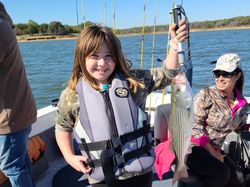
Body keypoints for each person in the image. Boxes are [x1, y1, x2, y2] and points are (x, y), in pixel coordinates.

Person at [55, 19, 188, 187]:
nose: (102, 63)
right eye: (94, 56)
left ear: (117, 58)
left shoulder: (135, 82)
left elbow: (168, 74)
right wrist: (69, 156)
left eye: (108, 56)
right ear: (82, 58)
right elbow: (62, 127)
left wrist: (175, 45)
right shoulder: (71, 95)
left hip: (139, 172)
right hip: (100, 175)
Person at [187, 53, 249, 187]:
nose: (220, 78)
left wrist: (246, 128)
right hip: (192, 148)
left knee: (240, 178)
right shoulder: (205, 95)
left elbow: (240, 127)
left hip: (214, 150)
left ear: (237, 75)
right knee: (222, 174)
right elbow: (193, 127)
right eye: (217, 74)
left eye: (226, 74)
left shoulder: (242, 104)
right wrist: (213, 153)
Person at [0, 2, 37, 187]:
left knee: (13, 167)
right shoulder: (3, 24)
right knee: (20, 163)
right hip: (19, 112)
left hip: (10, 119)